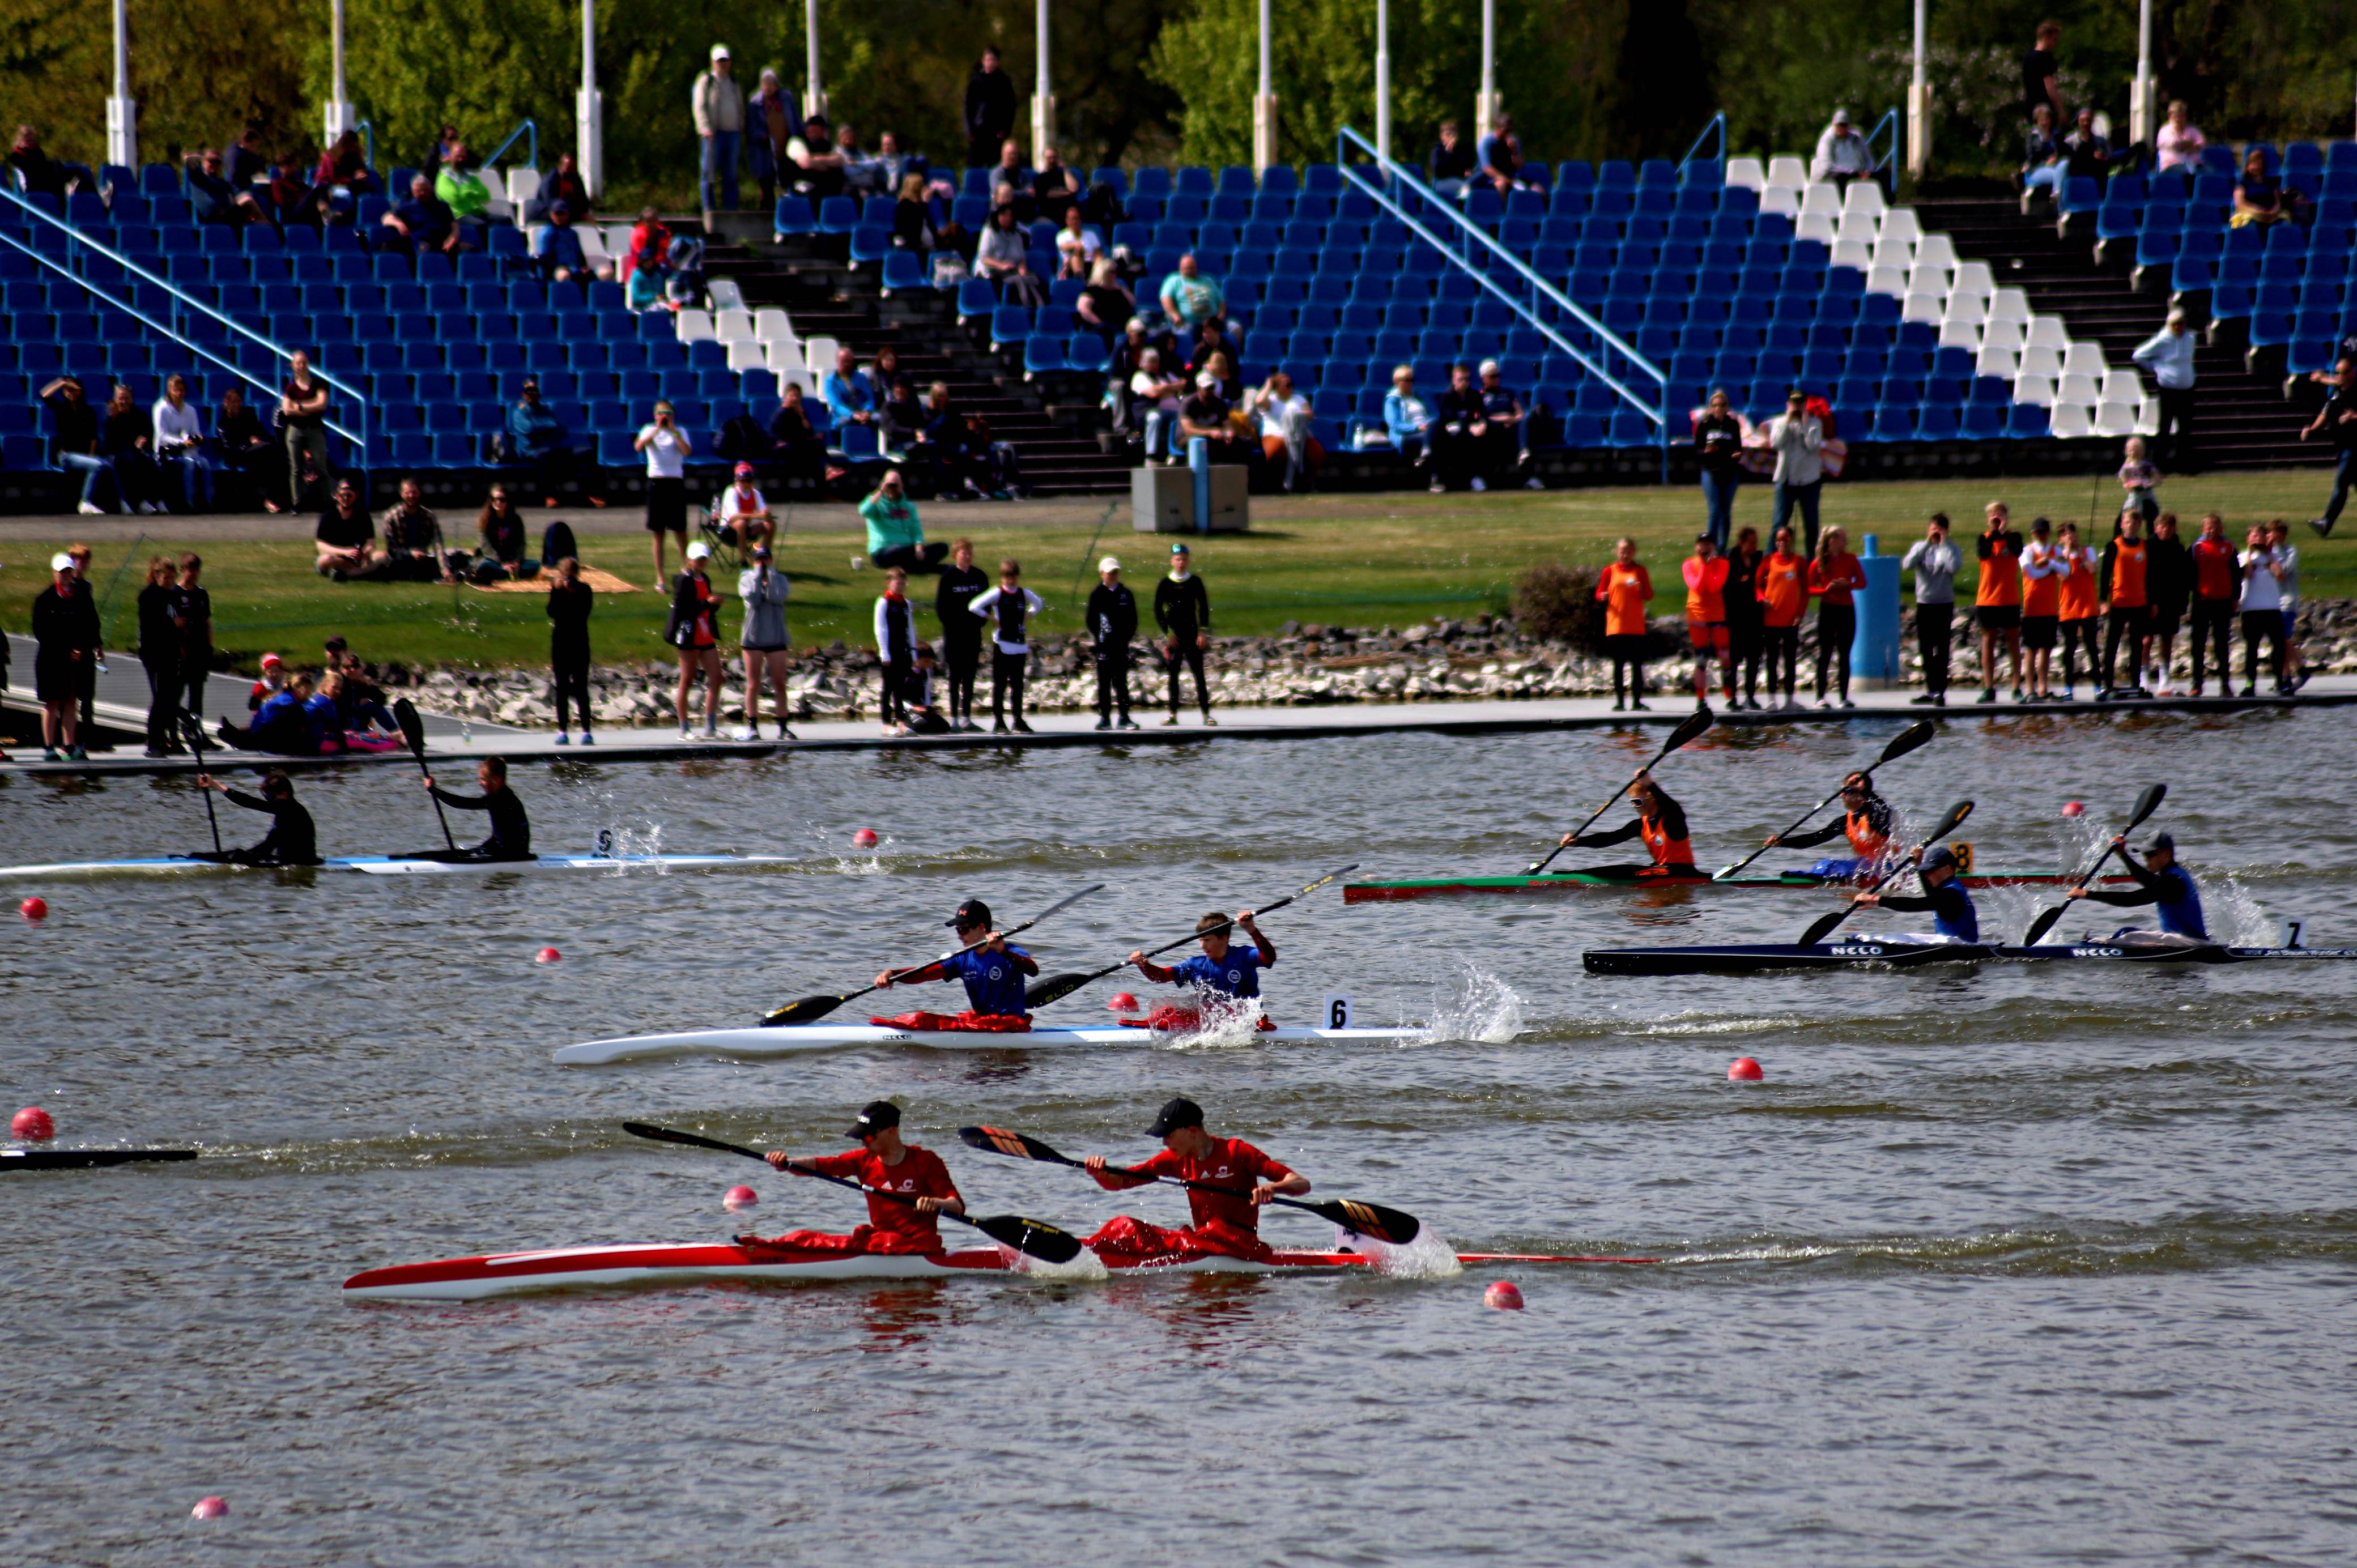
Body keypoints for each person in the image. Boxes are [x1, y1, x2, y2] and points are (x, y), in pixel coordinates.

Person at [741, 1101, 968, 1256]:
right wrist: (786, 1162)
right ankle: (766, 1247)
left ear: (892, 1132)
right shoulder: (863, 1160)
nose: (864, 1143)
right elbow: (822, 1165)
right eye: (861, 1138)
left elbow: (957, 1206)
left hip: (917, 1247)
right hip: (881, 1242)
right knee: (806, 1238)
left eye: (868, 1137)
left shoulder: (926, 1161)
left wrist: (936, 1203)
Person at [874, 899, 1039, 1021]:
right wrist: (893, 974)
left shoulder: (1009, 951)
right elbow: (924, 974)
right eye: (958, 930)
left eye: (964, 929)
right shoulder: (962, 959)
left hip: (1010, 1025)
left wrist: (1002, 951)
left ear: (982, 928)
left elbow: (1033, 970)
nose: (960, 935)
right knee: (920, 1019)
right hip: (983, 1023)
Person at [1127, 910, 1280, 1029]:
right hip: (1213, 1017)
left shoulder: (1245, 956)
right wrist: (1144, 966)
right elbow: (1162, 977)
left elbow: (1269, 957)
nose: (1202, 946)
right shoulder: (1195, 965)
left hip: (1245, 1018)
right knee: (1167, 1010)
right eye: (1200, 940)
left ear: (1224, 939)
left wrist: (1252, 930)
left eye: (1207, 940)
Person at [1558, 768, 1699, 879]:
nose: (1634, 806)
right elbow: (1611, 838)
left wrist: (1650, 784)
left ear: (1654, 800)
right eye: (1632, 802)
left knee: (1627, 870)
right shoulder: (1640, 825)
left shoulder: (1672, 820)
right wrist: (1576, 842)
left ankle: (1573, 877)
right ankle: (1574, 875)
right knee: (1624, 869)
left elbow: (1674, 808)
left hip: (1682, 871)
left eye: (1638, 802)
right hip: (1660, 870)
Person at [2065, 833, 2208, 941]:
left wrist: (2087, 894)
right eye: (2144, 855)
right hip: (2184, 940)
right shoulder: (2175, 875)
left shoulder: (2173, 882)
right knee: (2127, 933)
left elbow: (2132, 899)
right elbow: (2148, 881)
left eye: (2150, 854)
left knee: (2125, 935)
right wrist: (2122, 855)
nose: (2146, 859)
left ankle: (2091, 947)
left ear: (2166, 855)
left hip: (2188, 943)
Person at [1769, 770, 1896, 883]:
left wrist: (1863, 789)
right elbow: (1815, 838)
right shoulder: (1844, 822)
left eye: (1848, 791)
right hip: (1864, 867)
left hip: (1888, 868)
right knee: (1825, 865)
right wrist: (1781, 843)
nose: (1842, 796)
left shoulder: (1876, 816)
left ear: (1861, 794)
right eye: (1844, 791)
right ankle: (1814, 877)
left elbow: (1885, 809)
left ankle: (1816, 878)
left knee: (1830, 866)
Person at [29, 554, 94, 761]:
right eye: (62, 572)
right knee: (52, 703)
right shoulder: (45, 599)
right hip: (51, 659)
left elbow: (89, 624)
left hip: (75, 659)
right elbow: (42, 632)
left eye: (68, 571)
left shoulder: (81, 595)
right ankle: (49, 746)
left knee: (70, 702)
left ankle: (69, 745)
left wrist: (82, 649)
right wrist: (66, 650)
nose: (66, 575)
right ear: (55, 573)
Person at [968, 559, 1044, 734]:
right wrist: (992, 619)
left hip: (1019, 644)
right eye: (1007, 577)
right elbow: (974, 606)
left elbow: (1039, 604)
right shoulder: (997, 593)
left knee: (1017, 685)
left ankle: (1018, 720)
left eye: (1014, 577)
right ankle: (999, 721)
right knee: (1000, 684)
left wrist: (1028, 615)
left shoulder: (1023, 594)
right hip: (1002, 644)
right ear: (1003, 577)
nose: (1011, 580)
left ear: (1017, 577)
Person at [1850, 846, 1979, 944]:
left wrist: (1875, 900)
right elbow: (1932, 895)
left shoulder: (1950, 895)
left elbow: (1916, 904)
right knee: (1897, 938)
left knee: (1899, 939)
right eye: (1925, 871)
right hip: (1950, 942)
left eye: (1930, 870)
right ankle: (1862, 943)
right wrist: (1918, 863)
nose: (1927, 875)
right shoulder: (1947, 889)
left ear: (1947, 869)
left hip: (1960, 946)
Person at [189, 770, 319, 866]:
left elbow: (250, 802)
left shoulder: (292, 809)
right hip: (288, 859)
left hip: (300, 861)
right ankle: (195, 858)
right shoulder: (284, 814)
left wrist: (215, 785)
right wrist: (245, 856)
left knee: (237, 855)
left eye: (270, 798)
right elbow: (268, 846)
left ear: (284, 794)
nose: (268, 801)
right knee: (238, 854)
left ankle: (195, 859)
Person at [418, 757, 533, 862]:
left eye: (483, 779)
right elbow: (501, 835)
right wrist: (479, 850)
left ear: (497, 780)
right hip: (507, 852)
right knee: (447, 854)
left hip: (511, 857)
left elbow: (461, 803)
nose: (479, 783)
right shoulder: (503, 796)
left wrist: (432, 789)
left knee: (443, 856)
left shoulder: (500, 799)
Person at [666, 540, 724, 738]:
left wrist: (713, 604)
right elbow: (685, 609)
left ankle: (710, 726)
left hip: (705, 634)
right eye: (698, 559)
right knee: (688, 680)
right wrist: (706, 603)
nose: (701, 562)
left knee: (716, 678)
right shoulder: (683, 580)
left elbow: (704, 607)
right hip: (689, 635)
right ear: (689, 560)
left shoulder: (705, 579)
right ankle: (684, 728)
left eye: (704, 559)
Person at [1901, 513, 1960, 706]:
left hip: (1944, 603)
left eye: (1940, 529)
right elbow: (1908, 565)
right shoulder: (1920, 547)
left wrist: (1943, 546)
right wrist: (1927, 544)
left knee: (1942, 649)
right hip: (1925, 603)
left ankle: (1941, 692)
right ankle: (1930, 690)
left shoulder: (1951, 548)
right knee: (1925, 649)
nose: (1935, 532)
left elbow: (1953, 568)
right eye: (1933, 528)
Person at [1155, 543, 1214, 725]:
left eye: (1184, 560)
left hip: (1192, 634)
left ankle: (1206, 715)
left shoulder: (1195, 582)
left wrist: (1202, 632)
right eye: (1178, 559)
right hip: (1175, 637)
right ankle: (1173, 715)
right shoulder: (1165, 583)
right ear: (1172, 561)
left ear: (1188, 561)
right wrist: (1168, 633)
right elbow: (1158, 609)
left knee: (1199, 674)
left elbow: (1203, 607)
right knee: (1174, 675)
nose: (1181, 563)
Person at [934, 539, 989, 732]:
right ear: (956, 555)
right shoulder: (948, 578)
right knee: (955, 677)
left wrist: (979, 623)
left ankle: (967, 717)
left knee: (970, 676)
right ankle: (955, 718)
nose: (967, 556)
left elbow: (987, 604)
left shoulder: (979, 577)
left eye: (970, 553)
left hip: (973, 634)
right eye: (964, 553)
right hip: (954, 635)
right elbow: (941, 608)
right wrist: (954, 625)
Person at [2133, 311, 2197, 472]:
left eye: (2181, 324)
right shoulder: (2163, 340)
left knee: (2185, 427)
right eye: (2175, 324)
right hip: (2168, 389)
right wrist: (2157, 368)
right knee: (2165, 426)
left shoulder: (2190, 339)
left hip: (2187, 388)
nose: (2178, 327)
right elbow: (2139, 355)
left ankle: (2183, 463)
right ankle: (2160, 464)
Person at [1809, 526, 1866, 708]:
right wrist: (1825, 590)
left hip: (1847, 609)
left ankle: (1844, 697)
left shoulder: (1851, 559)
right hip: (1828, 608)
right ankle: (1820, 697)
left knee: (1845, 653)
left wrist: (1847, 584)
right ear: (1832, 540)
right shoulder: (1820, 561)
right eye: (1842, 539)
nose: (1845, 542)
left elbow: (1862, 582)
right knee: (1825, 653)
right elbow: (1809, 587)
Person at [1596, 536, 1654, 712]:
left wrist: (1642, 590)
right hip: (1616, 625)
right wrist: (1602, 597)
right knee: (1619, 665)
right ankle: (1620, 701)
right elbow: (1599, 593)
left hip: (1636, 626)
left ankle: (1637, 701)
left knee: (1637, 665)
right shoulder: (1610, 571)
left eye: (1629, 552)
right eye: (1622, 552)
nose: (1626, 555)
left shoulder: (1640, 571)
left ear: (1634, 552)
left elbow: (1649, 595)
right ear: (1617, 552)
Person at [1974, 501, 2024, 702]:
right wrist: (1994, 532)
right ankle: (1989, 687)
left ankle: (2016, 687)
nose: (1996, 517)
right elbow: (1984, 553)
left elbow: (2017, 550)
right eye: (1993, 515)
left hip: (2009, 598)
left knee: (2013, 641)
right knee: (1988, 641)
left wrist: (2003, 532)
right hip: (1987, 599)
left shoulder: (2014, 538)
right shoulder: (1984, 539)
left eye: (2000, 514)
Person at [41, 376, 114, 516]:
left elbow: (93, 437)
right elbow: (44, 395)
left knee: (105, 464)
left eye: (74, 390)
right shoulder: (62, 409)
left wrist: (91, 456)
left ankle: (124, 504)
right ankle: (86, 502)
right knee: (99, 465)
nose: (71, 393)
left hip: (84, 456)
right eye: (68, 390)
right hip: (67, 456)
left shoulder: (88, 411)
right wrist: (61, 383)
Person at [2098, 508, 2151, 700]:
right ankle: (2108, 684)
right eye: (2128, 522)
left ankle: (2136, 684)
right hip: (2119, 602)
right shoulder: (2114, 546)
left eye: (2135, 523)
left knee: (2137, 645)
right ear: (2122, 524)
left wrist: (2151, 602)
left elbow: (2150, 576)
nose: (2132, 526)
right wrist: (2103, 601)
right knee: (2112, 644)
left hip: (2140, 602)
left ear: (2139, 526)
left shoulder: (2145, 546)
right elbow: (2105, 575)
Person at [637, 399, 692, 581]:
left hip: (675, 482)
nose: (665, 417)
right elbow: (639, 446)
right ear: (655, 415)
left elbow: (687, 452)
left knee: (680, 531)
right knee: (658, 533)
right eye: (661, 413)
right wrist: (657, 430)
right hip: (656, 482)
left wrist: (673, 432)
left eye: (668, 413)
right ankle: (660, 577)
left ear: (673, 415)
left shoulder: (680, 431)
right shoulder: (649, 430)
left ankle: (687, 569)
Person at [2186, 512, 2240, 697]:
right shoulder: (2196, 547)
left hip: (2223, 602)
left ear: (2221, 529)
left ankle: (2225, 684)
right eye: (2209, 527)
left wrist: (2236, 597)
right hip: (2202, 602)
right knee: (2198, 645)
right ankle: (2197, 684)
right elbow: (2188, 575)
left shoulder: (2229, 547)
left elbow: (2236, 574)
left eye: (2215, 527)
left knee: (2222, 644)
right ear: (2203, 529)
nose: (2212, 530)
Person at [2302, 359, 2357, 537]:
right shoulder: (2336, 393)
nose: (2340, 376)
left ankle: (2326, 522)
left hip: (2355, 448)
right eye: (2338, 373)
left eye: (2345, 372)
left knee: (2341, 483)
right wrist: (2311, 429)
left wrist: (2354, 416)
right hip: (2342, 447)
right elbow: (2325, 414)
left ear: (2353, 373)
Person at [1767, 390, 1825, 556]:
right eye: (1794, 403)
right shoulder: (1779, 422)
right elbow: (1776, 443)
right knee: (1779, 523)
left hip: (1809, 480)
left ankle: (1812, 561)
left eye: (1800, 403)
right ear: (1788, 405)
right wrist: (1788, 420)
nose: (1797, 407)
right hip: (1786, 480)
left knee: (1812, 525)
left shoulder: (1815, 423)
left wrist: (1805, 425)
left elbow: (1813, 446)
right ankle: (1771, 560)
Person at [1755, 523, 1806, 710]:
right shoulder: (1768, 561)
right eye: (1778, 540)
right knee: (1772, 660)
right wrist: (1762, 599)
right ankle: (1772, 699)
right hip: (1771, 619)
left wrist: (1800, 614)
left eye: (1785, 540)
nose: (1781, 543)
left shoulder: (1799, 562)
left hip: (1791, 620)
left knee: (1790, 661)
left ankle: (1790, 699)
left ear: (1791, 541)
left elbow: (1805, 591)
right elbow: (1757, 585)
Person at [1086, 556, 1139, 731]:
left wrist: (1125, 638)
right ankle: (1105, 719)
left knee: (1121, 683)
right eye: (1109, 573)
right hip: (1104, 646)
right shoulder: (1097, 595)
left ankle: (1124, 717)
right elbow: (1091, 620)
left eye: (1115, 572)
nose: (1113, 575)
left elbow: (1133, 620)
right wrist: (1100, 638)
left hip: (1121, 646)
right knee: (1104, 684)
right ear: (1102, 574)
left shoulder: (1126, 593)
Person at [135, 557, 181, 756]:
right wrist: (173, 625)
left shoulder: (171, 596)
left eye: (173, 577)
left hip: (170, 653)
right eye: (166, 577)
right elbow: (152, 626)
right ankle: (153, 741)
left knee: (169, 697)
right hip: (154, 654)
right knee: (159, 697)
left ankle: (165, 740)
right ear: (157, 576)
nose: (170, 581)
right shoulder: (149, 596)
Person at [1249, 370, 1322, 493]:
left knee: (1317, 452)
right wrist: (1268, 386)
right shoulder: (1271, 400)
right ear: (1277, 387)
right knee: (1276, 451)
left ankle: (1307, 482)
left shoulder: (1299, 398)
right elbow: (1259, 401)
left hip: (1299, 435)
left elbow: (1310, 414)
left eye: (1291, 384)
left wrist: (1296, 415)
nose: (1291, 388)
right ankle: (1278, 484)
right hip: (1276, 434)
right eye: (1287, 385)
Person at [547, 556, 594, 747]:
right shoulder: (557, 590)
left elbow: (584, 612)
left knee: (581, 688)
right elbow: (552, 612)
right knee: (562, 689)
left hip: (579, 643)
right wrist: (557, 592)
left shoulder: (585, 590)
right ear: (560, 575)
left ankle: (586, 731)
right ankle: (563, 731)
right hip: (561, 644)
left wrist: (573, 591)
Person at [860, 468, 946, 572]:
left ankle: (914, 566)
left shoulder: (908, 506)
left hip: (907, 549)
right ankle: (922, 567)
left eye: (895, 486)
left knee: (942, 547)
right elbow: (865, 512)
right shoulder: (876, 502)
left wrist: (919, 549)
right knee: (898, 551)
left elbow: (916, 530)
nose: (892, 489)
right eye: (889, 485)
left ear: (902, 486)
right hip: (883, 552)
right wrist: (881, 491)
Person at [693, 44, 744, 217]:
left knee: (731, 173)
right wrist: (705, 128)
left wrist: (740, 125)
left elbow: (739, 105)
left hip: (732, 133)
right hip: (713, 135)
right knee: (708, 172)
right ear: (713, 62)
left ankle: (730, 208)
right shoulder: (706, 81)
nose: (723, 64)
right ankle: (709, 208)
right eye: (719, 61)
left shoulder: (734, 82)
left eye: (725, 60)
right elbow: (699, 107)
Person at [1680, 534, 1729, 710]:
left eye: (1708, 545)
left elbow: (1715, 587)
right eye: (1702, 545)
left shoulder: (1723, 564)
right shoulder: (1688, 565)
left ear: (1714, 547)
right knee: (1701, 659)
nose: (1704, 549)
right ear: (1697, 548)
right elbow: (1697, 587)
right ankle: (1701, 699)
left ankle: (1729, 695)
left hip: (1717, 614)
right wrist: (1704, 565)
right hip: (1697, 615)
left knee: (1725, 655)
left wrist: (1708, 565)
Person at [2236, 523, 2285, 696]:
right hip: (2251, 608)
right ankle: (2250, 683)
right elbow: (2247, 574)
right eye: (2254, 536)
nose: (2258, 539)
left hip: (2271, 606)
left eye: (2261, 536)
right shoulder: (2242, 557)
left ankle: (2280, 681)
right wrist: (2251, 552)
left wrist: (2269, 554)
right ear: (2248, 539)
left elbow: (2280, 575)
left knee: (2278, 645)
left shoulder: (2273, 557)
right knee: (2252, 647)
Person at [2054, 519, 2100, 700]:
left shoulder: (2087, 552)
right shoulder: (2059, 556)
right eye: (2066, 534)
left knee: (2091, 646)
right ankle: (2068, 687)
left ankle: (2098, 685)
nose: (2070, 537)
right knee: (2070, 648)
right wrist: (2067, 553)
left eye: (2072, 533)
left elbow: (2093, 569)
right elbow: (2062, 574)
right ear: (2060, 539)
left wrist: (2081, 558)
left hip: (2087, 606)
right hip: (2069, 607)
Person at [281, 350, 333, 512]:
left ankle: (327, 501)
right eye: (298, 363)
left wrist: (301, 406)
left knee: (321, 465)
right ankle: (297, 503)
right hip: (296, 429)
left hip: (314, 429)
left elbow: (322, 404)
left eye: (304, 363)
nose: (301, 366)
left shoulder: (319, 385)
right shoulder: (290, 388)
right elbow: (287, 411)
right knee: (296, 467)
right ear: (293, 366)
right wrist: (312, 407)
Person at [213, 383, 277, 512]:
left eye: (239, 401)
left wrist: (259, 440)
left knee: (272, 452)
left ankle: (273, 498)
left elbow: (262, 432)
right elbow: (229, 448)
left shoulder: (249, 415)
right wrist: (250, 444)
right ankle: (267, 500)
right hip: (237, 455)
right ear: (226, 403)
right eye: (233, 402)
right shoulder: (223, 424)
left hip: (258, 452)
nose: (237, 405)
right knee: (268, 452)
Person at [151, 374, 211, 513]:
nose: (179, 394)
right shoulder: (161, 409)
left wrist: (198, 438)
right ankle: (188, 502)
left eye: (182, 390)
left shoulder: (191, 410)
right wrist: (182, 443)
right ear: (169, 391)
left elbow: (195, 431)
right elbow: (162, 436)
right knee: (189, 464)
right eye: (176, 390)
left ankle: (208, 501)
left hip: (189, 450)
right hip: (166, 452)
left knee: (205, 464)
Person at [2018, 515, 2062, 701]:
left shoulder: (2055, 550)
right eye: (2037, 533)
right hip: (2032, 607)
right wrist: (2049, 570)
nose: (2041, 536)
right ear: (2033, 534)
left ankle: (2043, 688)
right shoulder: (2027, 551)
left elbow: (2066, 570)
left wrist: (2050, 564)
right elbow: (2031, 573)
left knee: (2046, 650)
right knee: (2031, 650)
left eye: (2044, 532)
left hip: (2050, 608)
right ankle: (2030, 689)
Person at [2146, 512, 2190, 696]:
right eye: (2162, 527)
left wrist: (2183, 603)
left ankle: (2165, 680)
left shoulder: (2179, 549)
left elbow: (2184, 578)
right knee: (2147, 639)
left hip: (2171, 602)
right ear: (2156, 528)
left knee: (2167, 639)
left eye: (2169, 527)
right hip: (2151, 601)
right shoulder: (2148, 547)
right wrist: (2151, 601)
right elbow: (2146, 577)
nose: (2165, 530)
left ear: (2174, 529)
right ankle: (2143, 679)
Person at [872, 564, 918, 736]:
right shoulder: (884, 602)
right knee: (888, 688)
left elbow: (911, 628)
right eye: (897, 583)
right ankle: (886, 723)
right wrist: (884, 652)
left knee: (900, 688)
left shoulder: (906, 604)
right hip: (889, 651)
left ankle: (900, 722)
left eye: (902, 583)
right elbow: (880, 628)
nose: (900, 586)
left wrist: (913, 650)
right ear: (888, 583)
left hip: (903, 651)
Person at [100, 382, 160, 514]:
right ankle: (135, 502)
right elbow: (107, 445)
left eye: (127, 398)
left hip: (136, 453)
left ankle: (156, 500)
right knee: (129, 462)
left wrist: (143, 443)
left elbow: (148, 435)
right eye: (121, 398)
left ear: (132, 399)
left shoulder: (140, 415)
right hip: (115, 454)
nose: (124, 402)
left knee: (150, 462)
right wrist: (133, 446)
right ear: (115, 399)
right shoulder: (110, 418)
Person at [1694, 389, 1743, 550]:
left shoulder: (1733, 424)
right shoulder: (1705, 425)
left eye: (1722, 405)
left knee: (1726, 511)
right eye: (1715, 405)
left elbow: (1738, 446)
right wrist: (1705, 452)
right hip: (1711, 470)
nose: (1718, 409)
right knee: (1715, 511)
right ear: (1710, 407)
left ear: (1727, 407)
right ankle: (1711, 546)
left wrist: (1737, 453)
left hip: (1729, 471)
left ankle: (1723, 547)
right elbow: (1697, 449)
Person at [1724, 525, 1765, 710]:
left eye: (1756, 542)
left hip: (1755, 616)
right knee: (1733, 659)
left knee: (1754, 657)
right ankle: (1732, 697)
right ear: (1741, 542)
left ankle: (1750, 695)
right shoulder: (1729, 559)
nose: (1755, 546)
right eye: (1751, 542)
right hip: (1734, 617)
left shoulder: (1759, 559)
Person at [314, 478, 384, 580]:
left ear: (356, 496)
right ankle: (362, 573)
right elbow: (321, 546)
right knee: (325, 560)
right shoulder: (328, 516)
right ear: (337, 496)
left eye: (349, 495)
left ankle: (349, 574)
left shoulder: (363, 515)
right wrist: (345, 552)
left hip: (358, 559)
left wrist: (365, 552)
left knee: (382, 556)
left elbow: (371, 543)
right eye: (343, 495)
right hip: (337, 558)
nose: (346, 498)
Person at [1130, 348, 1189, 463]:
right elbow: (1153, 393)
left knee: (1184, 417)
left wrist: (1163, 389)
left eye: (1156, 361)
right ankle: (1151, 453)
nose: (1155, 365)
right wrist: (1171, 388)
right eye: (1151, 362)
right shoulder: (1140, 377)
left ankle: (1178, 451)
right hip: (1151, 411)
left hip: (1174, 411)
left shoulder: (1166, 375)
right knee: (1155, 418)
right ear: (1144, 363)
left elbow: (1182, 385)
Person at [175, 554, 213, 728]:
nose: (194, 573)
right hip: (182, 651)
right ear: (182, 570)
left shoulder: (201, 594)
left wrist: (210, 647)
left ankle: (197, 731)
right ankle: (172, 734)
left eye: (196, 570)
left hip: (200, 650)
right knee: (176, 693)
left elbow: (207, 622)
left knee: (197, 693)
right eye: (190, 569)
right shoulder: (175, 593)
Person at [964, 48, 1019, 168]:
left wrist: (1005, 130)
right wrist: (969, 130)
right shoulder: (976, 81)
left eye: (993, 60)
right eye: (988, 60)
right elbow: (968, 107)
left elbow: (1010, 108)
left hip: (996, 133)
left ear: (998, 62)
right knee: (975, 165)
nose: (991, 62)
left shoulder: (1004, 81)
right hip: (978, 131)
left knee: (994, 165)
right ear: (984, 61)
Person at [976, 203, 1041, 304]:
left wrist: (1022, 268)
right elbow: (984, 258)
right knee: (1019, 280)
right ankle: (1027, 305)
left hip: (1012, 270)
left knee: (1031, 279)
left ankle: (1039, 306)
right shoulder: (989, 232)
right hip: (993, 273)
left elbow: (1021, 258)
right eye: (1004, 215)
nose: (1007, 218)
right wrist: (1001, 266)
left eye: (1010, 215)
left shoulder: (1016, 235)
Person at [381, 172, 459, 256]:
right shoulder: (408, 207)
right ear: (414, 192)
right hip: (423, 244)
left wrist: (452, 239)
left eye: (425, 190)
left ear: (431, 189)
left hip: (445, 242)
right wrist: (399, 224)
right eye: (419, 191)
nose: (423, 193)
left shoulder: (443, 206)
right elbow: (386, 218)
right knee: (427, 253)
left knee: (468, 249)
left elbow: (454, 225)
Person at [748, 70, 794, 210]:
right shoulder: (755, 104)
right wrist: (762, 136)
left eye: (771, 84)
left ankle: (788, 208)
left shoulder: (785, 100)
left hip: (785, 146)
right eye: (765, 84)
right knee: (766, 181)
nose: (767, 87)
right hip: (765, 148)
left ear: (777, 86)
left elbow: (794, 121)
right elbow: (751, 127)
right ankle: (767, 210)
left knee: (787, 179)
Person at [2269, 518, 2306, 694]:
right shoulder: (2265, 552)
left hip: (2287, 601)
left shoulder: (2290, 551)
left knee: (2282, 639)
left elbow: (2283, 573)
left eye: (2274, 532)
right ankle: (2287, 676)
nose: (2270, 536)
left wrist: (2270, 558)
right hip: (2271, 601)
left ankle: (2297, 669)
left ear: (2282, 535)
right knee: (2280, 641)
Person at [710, 462, 776, 556]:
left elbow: (764, 511)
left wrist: (767, 515)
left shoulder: (755, 494)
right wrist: (758, 515)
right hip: (727, 531)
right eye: (743, 481)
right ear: (737, 481)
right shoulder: (732, 493)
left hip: (746, 529)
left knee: (770, 524)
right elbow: (734, 517)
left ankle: (764, 556)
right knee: (741, 523)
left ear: (753, 481)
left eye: (749, 480)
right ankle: (743, 561)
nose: (746, 484)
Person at [1383, 364, 1435, 472]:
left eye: (1412, 380)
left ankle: (1426, 455)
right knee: (1434, 439)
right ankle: (1427, 455)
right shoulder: (1392, 401)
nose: (1410, 383)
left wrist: (1429, 424)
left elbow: (1435, 414)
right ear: (1397, 382)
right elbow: (1395, 425)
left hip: (1427, 430)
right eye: (1407, 380)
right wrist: (1418, 428)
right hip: (1405, 436)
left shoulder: (1420, 396)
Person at [1158, 253, 1225, 335]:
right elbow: (1166, 299)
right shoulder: (1173, 280)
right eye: (1187, 268)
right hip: (1187, 323)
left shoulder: (1208, 280)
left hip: (1212, 323)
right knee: (1181, 333)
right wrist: (1174, 315)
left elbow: (1221, 301)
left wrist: (1221, 316)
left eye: (1193, 268)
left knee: (1235, 327)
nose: (1190, 271)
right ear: (1180, 268)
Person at [1075, 259, 1132, 347]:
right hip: (1101, 328)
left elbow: (1133, 303)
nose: (1115, 275)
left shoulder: (1118, 290)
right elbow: (1083, 309)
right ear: (1103, 273)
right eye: (1112, 272)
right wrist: (1100, 323)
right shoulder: (1092, 290)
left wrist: (1122, 289)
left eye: (1116, 272)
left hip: (1120, 326)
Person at [1811, 109, 1873, 188]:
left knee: (1884, 175)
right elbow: (1827, 166)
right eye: (1839, 125)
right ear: (1834, 124)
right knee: (1841, 178)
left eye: (1844, 125)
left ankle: (1888, 199)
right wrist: (1851, 172)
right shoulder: (1827, 140)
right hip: (1833, 175)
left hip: (1858, 173)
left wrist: (1868, 171)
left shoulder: (1856, 138)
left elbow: (1868, 158)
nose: (1841, 128)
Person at [2231, 146, 2289, 229]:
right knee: (2252, 227)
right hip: (2252, 214)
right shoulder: (2243, 183)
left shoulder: (2270, 183)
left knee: (2284, 226)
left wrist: (2274, 211)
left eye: (2259, 163)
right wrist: (2257, 211)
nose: (2256, 167)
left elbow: (2277, 201)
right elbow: (2239, 203)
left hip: (2271, 215)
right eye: (2253, 164)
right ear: (2248, 166)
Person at [2021, 20, 2064, 126]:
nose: (2056, 43)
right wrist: (2061, 110)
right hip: (2044, 109)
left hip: (2030, 107)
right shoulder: (2045, 58)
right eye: (2055, 39)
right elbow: (2050, 87)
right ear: (2046, 37)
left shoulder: (2028, 57)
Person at [2020, 105, 2065, 202]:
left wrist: (2056, 158)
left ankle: (2057, 195)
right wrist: (2046, 161)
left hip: (2056, 166)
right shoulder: (2032, 137)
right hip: (2038, 169)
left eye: (2047, 119)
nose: (2044, 123)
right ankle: (2057, 193)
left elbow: (2064, 153)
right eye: (2041, 120)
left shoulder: (2057, 135)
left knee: (2064, 164)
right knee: (2059, 175)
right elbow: (2030, 157)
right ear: (2037, 121)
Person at [1477, 113, 1530, 195]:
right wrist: (1507, 181)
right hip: (1489, 178)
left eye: (1511, 131)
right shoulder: (1486, 142)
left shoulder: (1514, 141)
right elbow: (1487, 168)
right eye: (1506, 131)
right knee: (1501, 185)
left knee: (1537, 189)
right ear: (1497, 129)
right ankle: (1504, 208)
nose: (1508, 134)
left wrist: (1514, 152)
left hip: (1510, 176)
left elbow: (1520, 166)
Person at [2117, 435, 2160, 524]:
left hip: (2147, 495)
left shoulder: (2147, 466)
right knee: (2124, 516)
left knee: (2152, 516)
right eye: (2131, 450)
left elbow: (2157, 479)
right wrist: (2130, 486)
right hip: (2133, 496)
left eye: (2137, 450)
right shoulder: (2126, 467)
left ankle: (2152, 536)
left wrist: (2150, 484)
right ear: (2127, 452)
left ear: (2143, 451)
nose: (2134, 453)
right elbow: (2124, 481)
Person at [1429, 122, 1477, 199]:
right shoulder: (1437, 151)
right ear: (1442, 136)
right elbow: (1438, 171)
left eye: (1454, 135)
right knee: (1466, 187)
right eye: (1448, 135)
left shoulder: (1459, 150)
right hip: (1441, 182)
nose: (1451, 138)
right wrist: (1448, 154)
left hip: (1459, 180)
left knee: (1475, 185)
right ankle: (1460, 207)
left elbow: (1465, 166)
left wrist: (1464, 171)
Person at [2155, 100, 2205, 172]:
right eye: (2176, 116)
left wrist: (2190, 146)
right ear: (2170, 117)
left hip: (2194, 165)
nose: (2179, 119)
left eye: (2182, 116)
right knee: (2190, 171)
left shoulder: (2193, 130)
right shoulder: (2165, 131)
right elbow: (2174, 145)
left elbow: (2202, 144)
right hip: (2171, 167)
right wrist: (2189, 144)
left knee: (2210, 173)